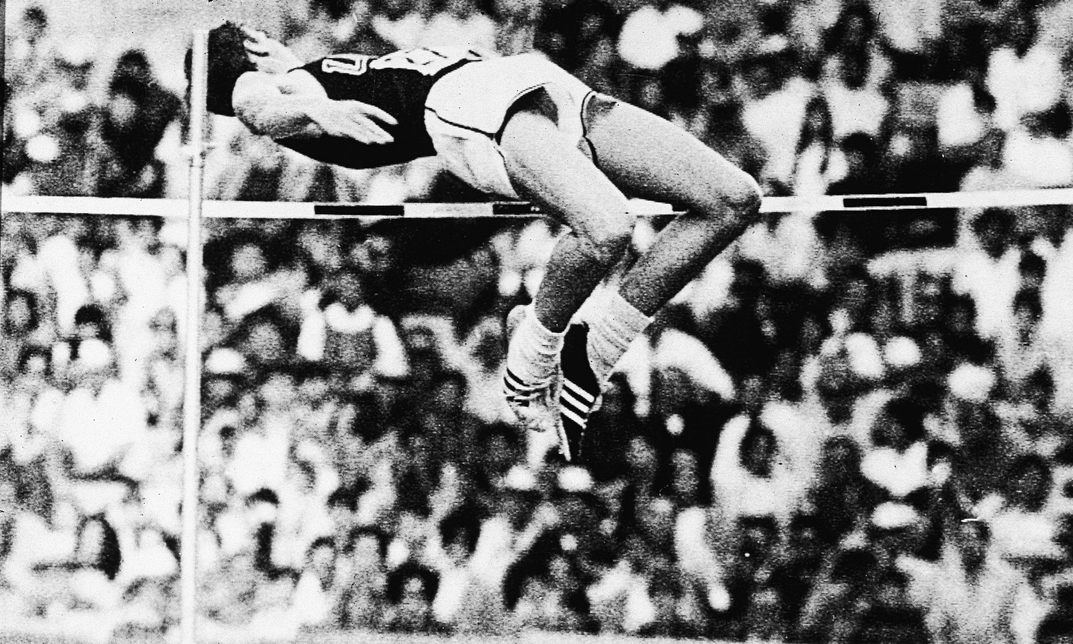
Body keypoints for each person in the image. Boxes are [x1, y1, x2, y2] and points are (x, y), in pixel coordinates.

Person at [188, 21, 762, 461]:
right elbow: (258, 108)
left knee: (732, 200)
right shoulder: (274, 89)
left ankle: (591, 351)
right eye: (251, 35)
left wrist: (308, 87)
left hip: (521, 81)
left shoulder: (308, 70)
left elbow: (294, 86)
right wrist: (314, 106)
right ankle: (533, 356)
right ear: (243, 55)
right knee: (609, 227)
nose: (265, 34)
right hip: (469, 111)